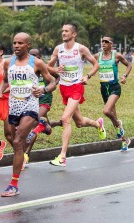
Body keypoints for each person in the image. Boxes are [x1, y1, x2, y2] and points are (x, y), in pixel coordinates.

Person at [0, 32, 56, 197]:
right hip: (13, 106)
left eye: (20, 43)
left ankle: (13, 184)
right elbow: (6, 80)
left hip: (30, 106)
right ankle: (36, 131)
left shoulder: (36, 63)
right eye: (14, 43)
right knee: (12, 139)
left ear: (27, 45)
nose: (16, 46)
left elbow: (52, 82)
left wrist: (43, 89)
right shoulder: (8, 62)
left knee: (17, 141)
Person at [47, 23, 106, 167]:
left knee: (65, 118)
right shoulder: (58, 49)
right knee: (79, 123)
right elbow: (48, 67)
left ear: (74, 34)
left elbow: (96, 64)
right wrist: (55, 70)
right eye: (62, 31)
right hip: (64, 88)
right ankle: (97, 123)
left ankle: (62, 157)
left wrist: (87, 76)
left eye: (66, 31)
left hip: (77, 87)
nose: (64, 33)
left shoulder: (80, 49)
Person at [23, 48, 60, 168]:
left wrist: (50, 87)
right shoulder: (27, 67)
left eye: (36, 55)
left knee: (35, 122)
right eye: (31, 55)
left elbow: (57, 76)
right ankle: (58, 123)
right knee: (46, 128)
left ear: (40, 56)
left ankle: (26, 154)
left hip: (45, 99)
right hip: (33, 100)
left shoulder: (45, 67)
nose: (33, 57)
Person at [94, 36, 132, 150]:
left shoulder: (117, 56)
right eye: (102, 41)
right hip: (103, 88)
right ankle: (125, 140)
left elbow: (129, 65)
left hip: (114, 88)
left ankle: (119, 125)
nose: (104, 43)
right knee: (113, 115)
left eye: (106, 42)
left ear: (111, 44)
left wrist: (125, 75)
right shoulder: (97, 56)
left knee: (106, 111)